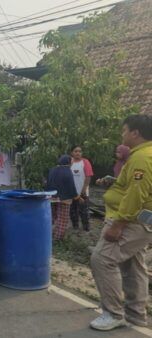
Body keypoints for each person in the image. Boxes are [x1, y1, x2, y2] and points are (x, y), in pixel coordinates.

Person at [89, 114, 152, 331]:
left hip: (132, 221)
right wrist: (115, 183)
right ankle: (136, 314)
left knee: (102, 258)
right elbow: (134, 187)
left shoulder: (142, 158)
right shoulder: (142, 155)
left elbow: (137, 194)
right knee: (134, 267)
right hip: (140, 220)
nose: (122, 134)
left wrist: (118, 225)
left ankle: (113, 314)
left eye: (124, 130)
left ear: (135, 133)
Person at [47, 155, 81, 241]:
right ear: (68, 162)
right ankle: (57, 239)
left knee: (52, 217)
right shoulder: (68, 171)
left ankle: (48, 236)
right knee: (62, 219)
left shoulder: (52, 170)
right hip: (64, 199)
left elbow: (48, 182)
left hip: (52, 197)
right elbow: (71, 186)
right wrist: (76, 196)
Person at [70, 145, 94, 231]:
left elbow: (88, 176)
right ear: (72, 153)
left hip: (83, 190)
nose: (78, 153)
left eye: (80, 151)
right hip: (72, 192)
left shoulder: (85, 162)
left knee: (84, 210)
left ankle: (86, 227)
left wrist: (84, 189)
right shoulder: (70, 162)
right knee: (72, 210)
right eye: (75, 151)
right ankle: (75, 226)